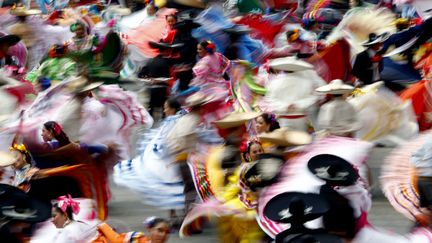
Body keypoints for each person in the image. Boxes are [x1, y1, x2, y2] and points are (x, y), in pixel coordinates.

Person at [93, 217, 171, 243]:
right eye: (160, 230)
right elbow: (116, 239)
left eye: (167, 232)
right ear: (150, 229)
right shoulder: (137, 238)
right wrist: (101, 225)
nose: (163, 235)